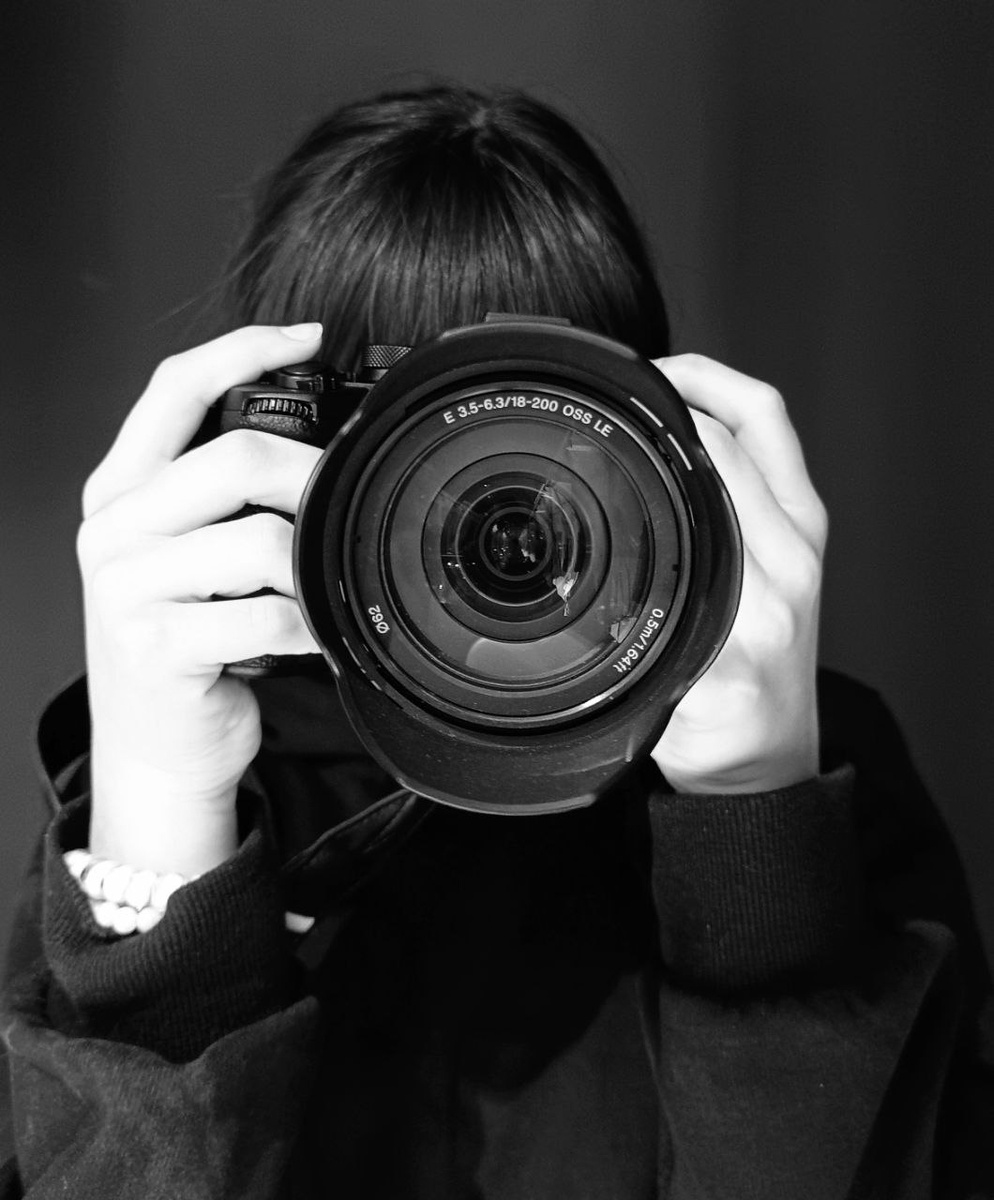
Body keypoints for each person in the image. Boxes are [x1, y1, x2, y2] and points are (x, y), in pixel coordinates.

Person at [1, 84, 991, 1199]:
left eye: (532, 430)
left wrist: (753, 818)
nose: (487, 521)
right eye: (406, 434)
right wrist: (161, 819)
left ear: (654, 435)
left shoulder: (808, 760)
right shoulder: (200, 758)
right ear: (285, 439)